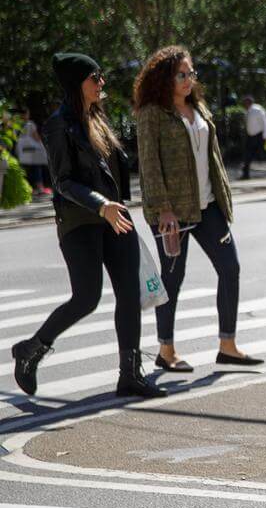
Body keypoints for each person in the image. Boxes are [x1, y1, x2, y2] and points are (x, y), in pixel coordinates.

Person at [9, 53, 166, 400]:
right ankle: (32, 348)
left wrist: (116, 206)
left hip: (114, 216)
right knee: (87, 297)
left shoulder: (98, 119)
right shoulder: (58, 125)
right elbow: (63, 181)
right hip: (81, 221)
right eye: (95, 77)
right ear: (76, 83)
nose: (101, 82)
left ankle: (130, 375)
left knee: (129, 292)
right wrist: (101, 205)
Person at [134, 46, 262, 372]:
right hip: (173, 212)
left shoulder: (198, 107)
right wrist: (163, 209)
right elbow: (149, 166)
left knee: (230, 268)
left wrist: (223, 197)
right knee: (173, 279)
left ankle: (228, 345)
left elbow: (212, 157)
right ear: (165, 77)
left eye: (191, 73)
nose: (189, 79)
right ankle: (166, 350)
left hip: (207, 206)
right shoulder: (152, 114)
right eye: (181, 74)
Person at [239, 94, 266, 179]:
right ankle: (245, 174)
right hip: (251, 137)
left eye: (245, 103)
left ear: (249, 102)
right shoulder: (248, 111)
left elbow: (265, 123)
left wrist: (265, 136)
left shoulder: (257, 109)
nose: (244, 105)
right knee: (248, 156)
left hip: (259, 136)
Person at [16, 108, 51, 195]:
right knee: (36, 166)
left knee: (25, 168)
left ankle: (27, 188)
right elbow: (36, 137)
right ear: (26, 114)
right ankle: (39, 188)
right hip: (31, 148)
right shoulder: (30, 124)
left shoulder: (16, 124)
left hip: (21, 149)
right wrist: (42, 145)